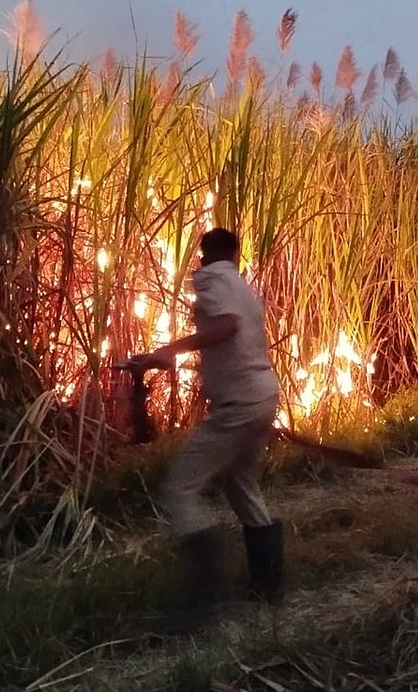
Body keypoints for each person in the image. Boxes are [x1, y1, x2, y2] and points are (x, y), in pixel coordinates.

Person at [130, 227, 284, 627]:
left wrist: (170, 349)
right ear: (236, 253)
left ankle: (203, 600)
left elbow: (226, 327)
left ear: (204, 254)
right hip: (263, 396)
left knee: (180, 489)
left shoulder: (212, 278)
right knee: (242, 485)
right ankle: (267, 587)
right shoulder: (240, 284)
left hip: (239, 406)